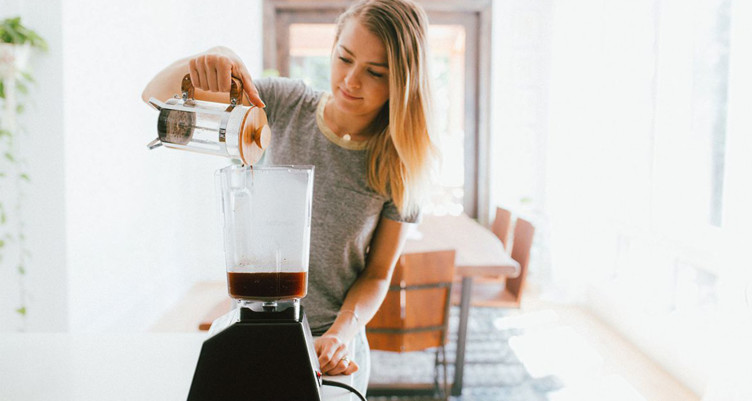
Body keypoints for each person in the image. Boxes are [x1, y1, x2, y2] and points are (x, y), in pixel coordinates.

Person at [142, 0, 435, 393]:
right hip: (255, 329)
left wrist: (341, 333)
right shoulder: (281, 105)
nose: (351, 80)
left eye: (375, 72)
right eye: (344, 58)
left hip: (331, 345)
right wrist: (217, 57)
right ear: (332, 47)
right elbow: (155, 96)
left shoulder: (400, 165)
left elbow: (378, 273)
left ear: (404, 80)